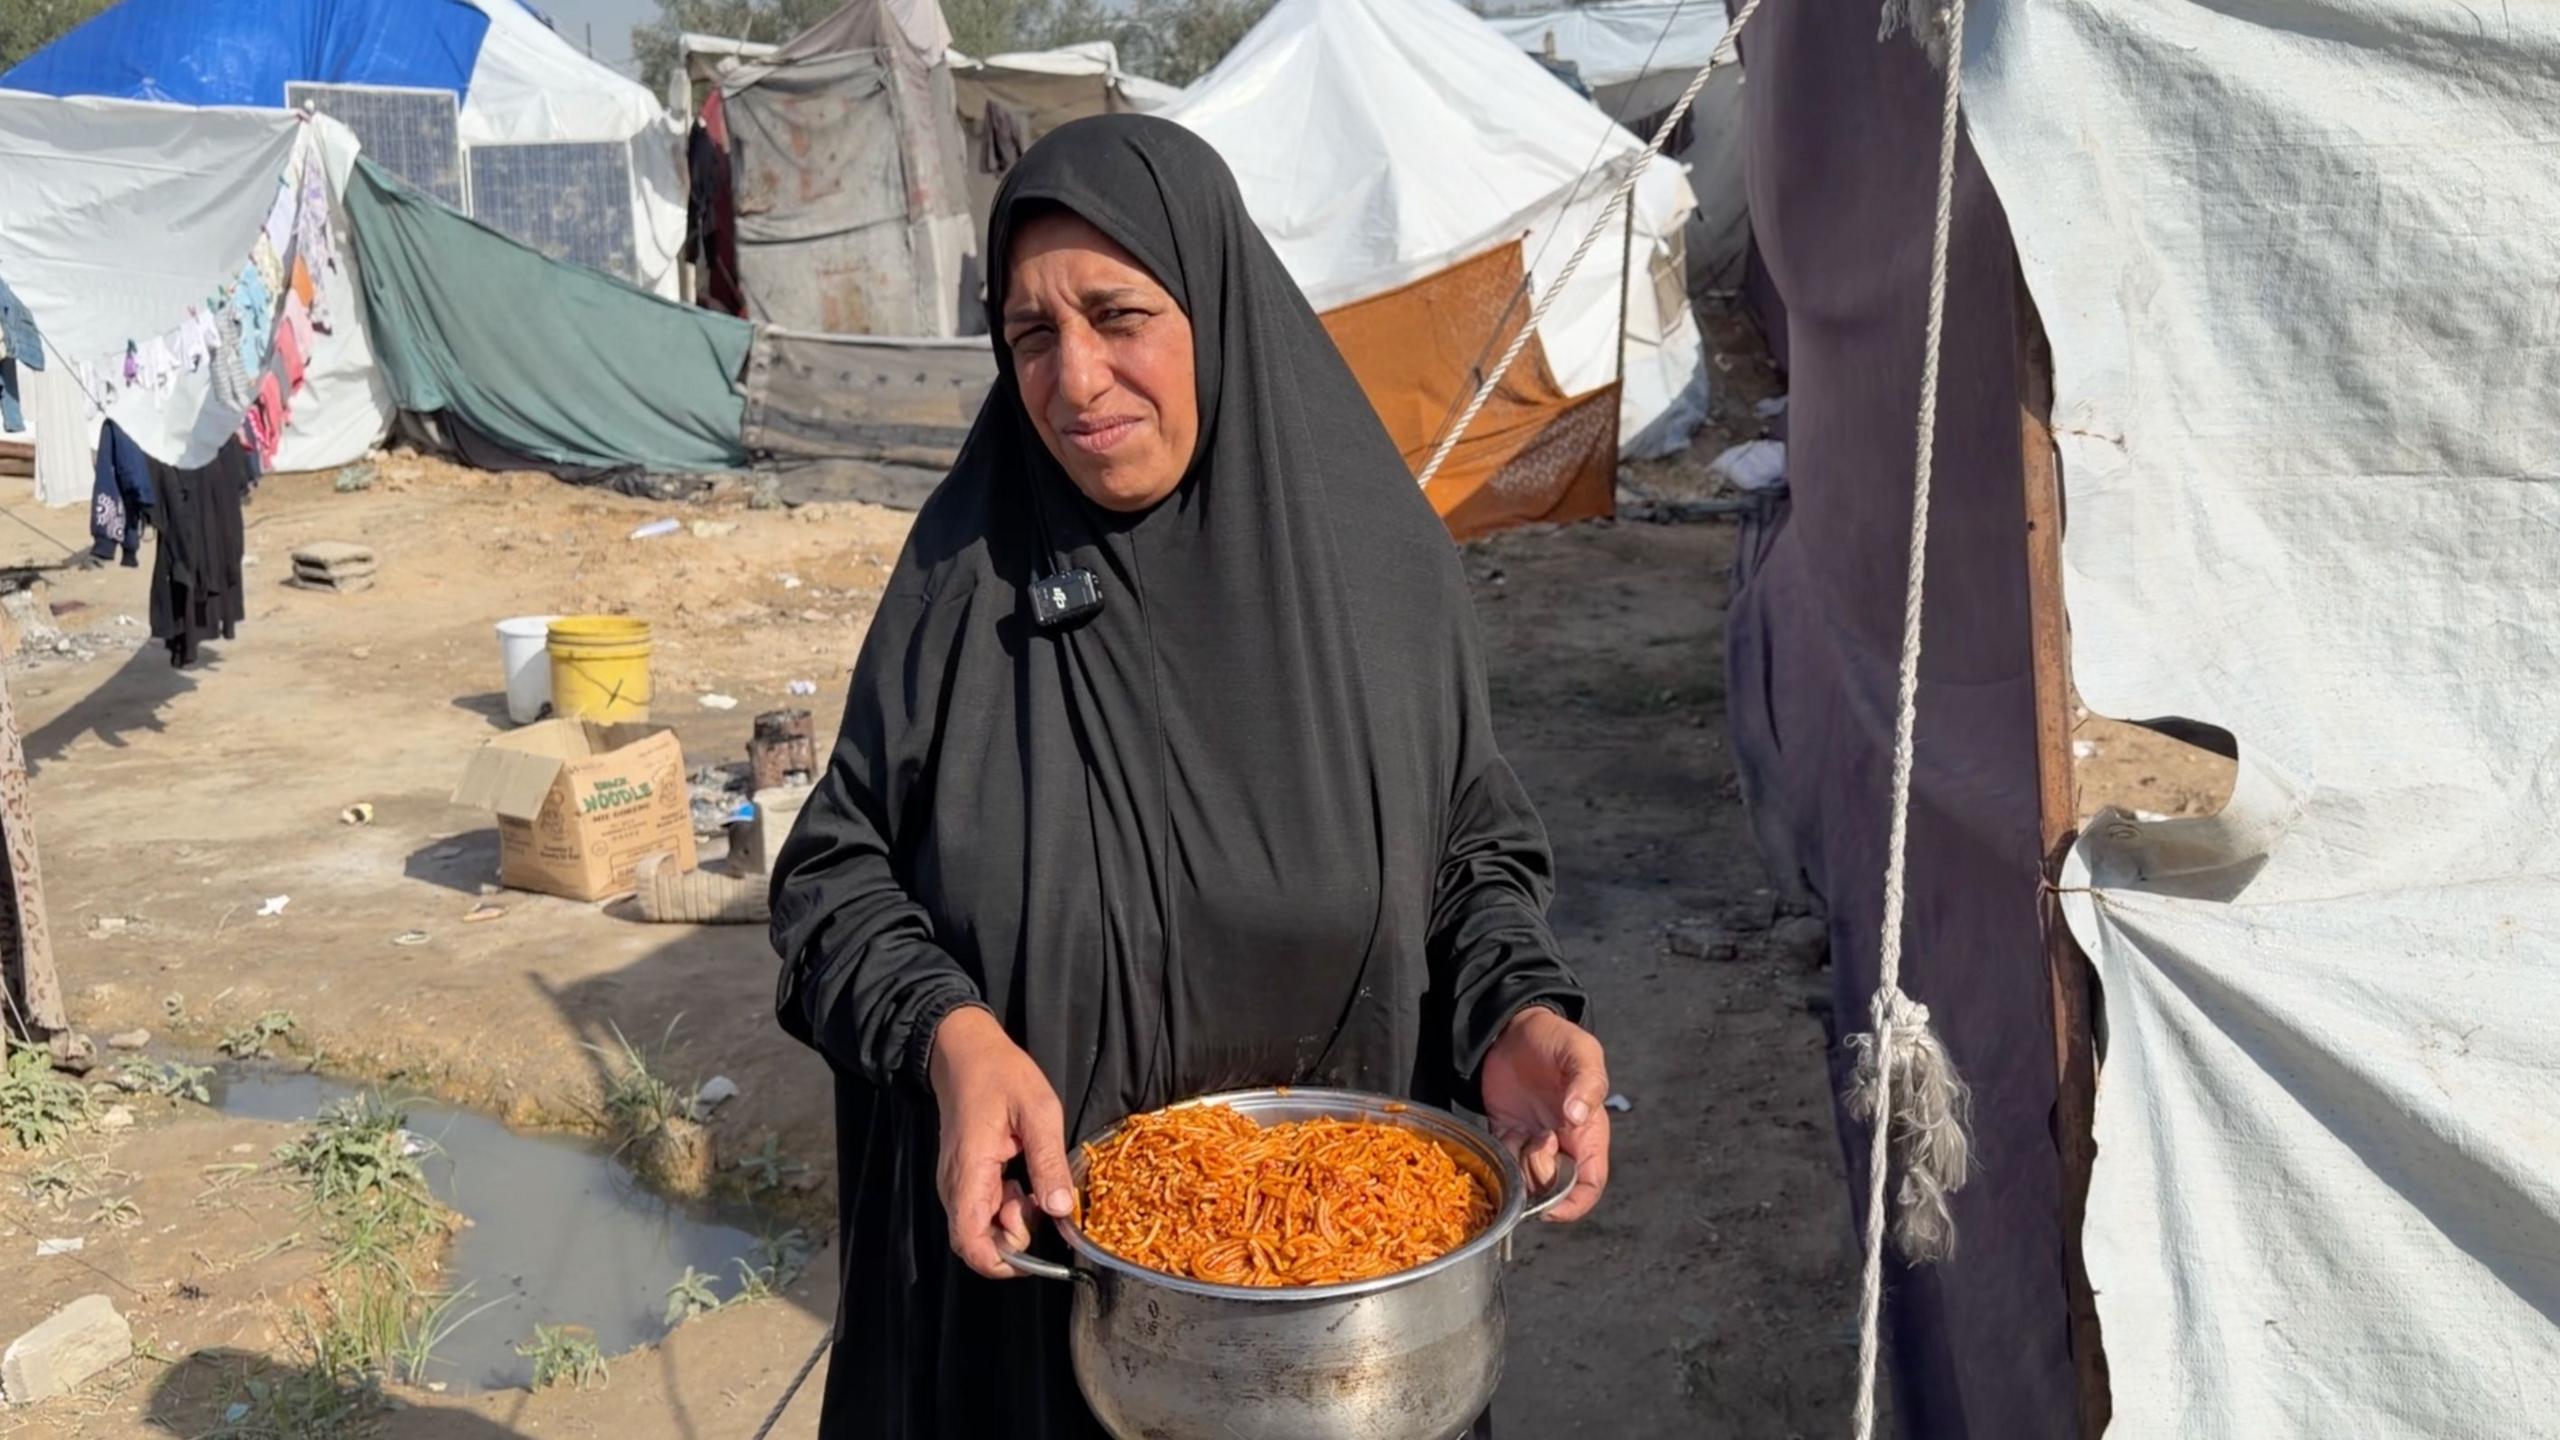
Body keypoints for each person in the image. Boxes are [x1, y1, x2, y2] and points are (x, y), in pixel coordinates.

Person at [770, 114, 1612, 1439]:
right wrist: (951, 1036)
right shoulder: (964, 577)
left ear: (1216, 306)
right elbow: (832, 879)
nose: (1077, 381)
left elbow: (1467, 863)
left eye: (1118, 315)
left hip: (1331, 1325)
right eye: (1031, 334)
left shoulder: (1379, 581)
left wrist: (1512, 1012)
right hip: (1039, 1308)